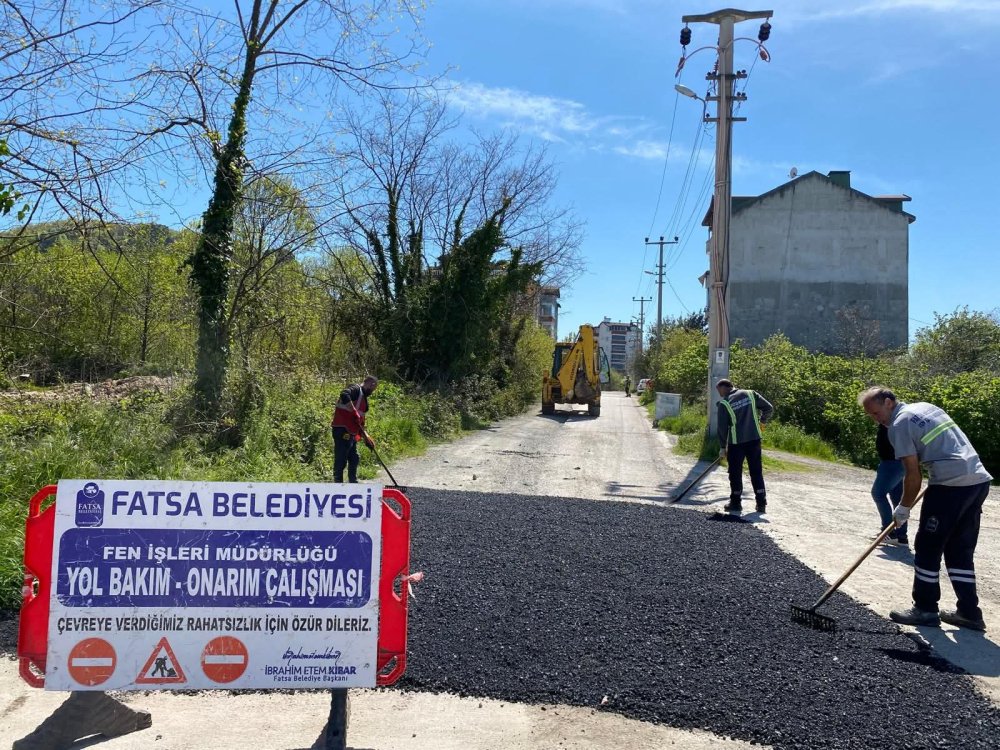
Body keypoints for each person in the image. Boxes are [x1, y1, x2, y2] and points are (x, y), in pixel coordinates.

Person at [859, 386, 992, 631]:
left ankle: (925, 608)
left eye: (875, 413)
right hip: (977, 481)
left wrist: (903, 507)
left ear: (889, 402)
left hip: (949, 486)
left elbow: (912, 474)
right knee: (959, 548)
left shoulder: (899, 424)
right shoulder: (927, 408)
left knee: (928, 545)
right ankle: (969, 613)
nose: (875, 419)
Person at [716, 378, 774, 514]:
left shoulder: (725, 403)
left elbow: (722, 428)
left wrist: (722, 448)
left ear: (725, 387)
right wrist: (762, 422)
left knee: (735, 473)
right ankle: (761, 503)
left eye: (719, 390)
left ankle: (735, 503)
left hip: (737, 443)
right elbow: (769, 408)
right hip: (754, 440)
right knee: (756, 471)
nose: (719, 394)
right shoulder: (750, 393)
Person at [331, 375, 378, 483]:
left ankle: (353, 483)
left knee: (354, 458)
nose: (372, 392)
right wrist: (353, 411)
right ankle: (337, 485)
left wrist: (367, 438)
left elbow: (360, 422)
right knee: (341, 459)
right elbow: (344, 394)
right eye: (373, 389)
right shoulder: (355, 389)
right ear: (371, 384)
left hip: (352, 433)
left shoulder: (364, 403)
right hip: (342, 429)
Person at [871, 422, 908, 545]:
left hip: (891, 463)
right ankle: (901, 536)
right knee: (897, 498)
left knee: (878, 494)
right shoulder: (897, 420)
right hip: (898, 462)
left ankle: (888, 532)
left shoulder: (892, 419)